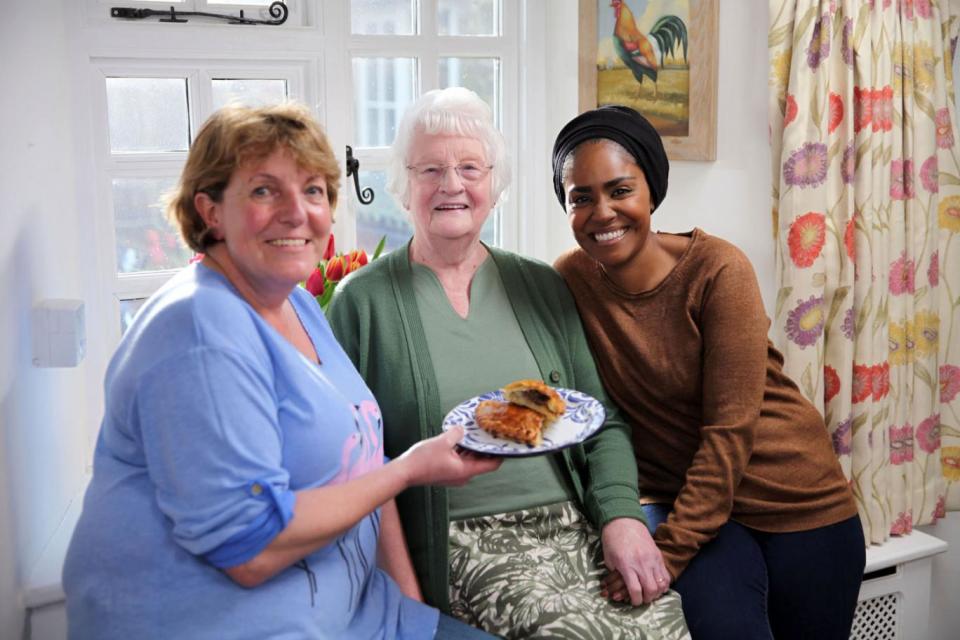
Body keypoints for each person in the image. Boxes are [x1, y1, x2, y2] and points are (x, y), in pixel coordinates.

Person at [62, 102, 503, 640]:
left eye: (314, 190)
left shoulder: (298, 303)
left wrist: (410, 613)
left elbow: (364, 460)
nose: (297, 212)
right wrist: (409, 470)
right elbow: (249, 548)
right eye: (265, 190)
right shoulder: (200, 329)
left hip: (367, 618)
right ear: (210, 211)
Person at [327, 88, 690, 639]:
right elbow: (355, 468)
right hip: (462, 540)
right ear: (404, 187)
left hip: (572, 527)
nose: (452, 184)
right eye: (431, 169)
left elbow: (602, 421)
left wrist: (621, 518)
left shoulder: (541, 284)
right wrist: (405, 602)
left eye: (470, 167)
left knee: (665, 621)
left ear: (493, 185)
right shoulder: (363, 301)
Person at [551, 105, 866, 640]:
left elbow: (729, 434)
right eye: (581, 197)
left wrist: (666, 555)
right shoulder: (569, 280)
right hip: (686, 503)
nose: (602, 211)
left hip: (797, 501)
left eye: (620, 190)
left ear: (652, 190)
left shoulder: (718, 270)